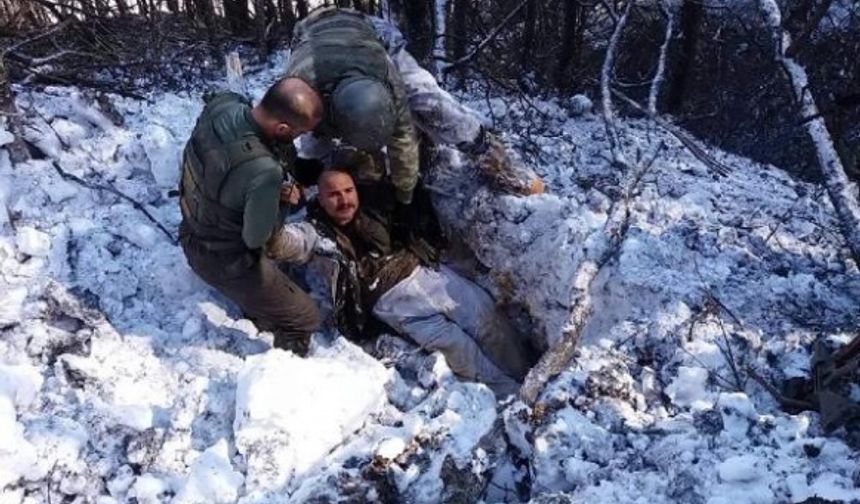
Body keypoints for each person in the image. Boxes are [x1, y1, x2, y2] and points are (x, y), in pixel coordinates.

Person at [267, 169, 536, 396]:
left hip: (426, 275)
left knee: (485, 317)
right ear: (320, 199)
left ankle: (531, 378)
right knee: (457, 349)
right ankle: (510, 397)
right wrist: (271, 215)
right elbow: (288, 244)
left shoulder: (376, 207)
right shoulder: (315, 231)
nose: (344, 200)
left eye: (348, 191)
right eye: (334, 195)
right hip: (392, 303)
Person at [282, 7, 545, 212]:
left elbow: (403, 134)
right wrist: (297, 176)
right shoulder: (300, 91)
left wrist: (405, 196)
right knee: (315, 152)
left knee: (430, 101)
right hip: (309, 35)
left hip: (368, 33)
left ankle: (492, 152)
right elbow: (278, 133)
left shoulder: (389, 79)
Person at [178, 82, 325, 356]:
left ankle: (261, 306)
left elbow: (213, 92)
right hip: (220, 260)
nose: (297, 138)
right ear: (282, 129)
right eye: (298, 133)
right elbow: (259, 239)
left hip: (193, 223)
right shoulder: (263, 172)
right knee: (306, 317)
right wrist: (280, 202)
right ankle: (281, 368)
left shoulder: (224, 107)